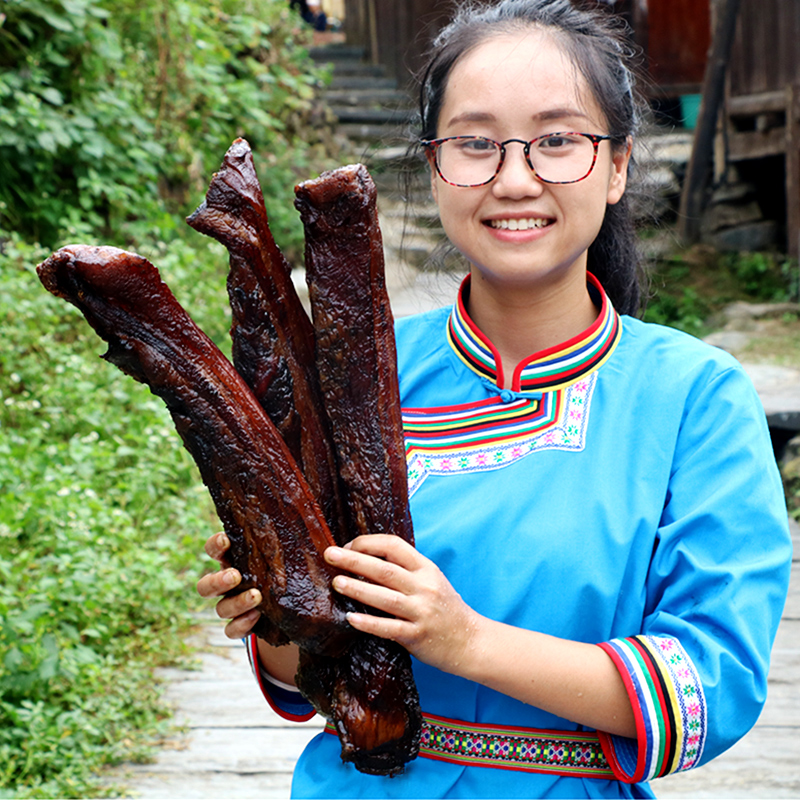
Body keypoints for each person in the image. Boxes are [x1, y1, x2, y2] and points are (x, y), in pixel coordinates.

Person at [197, 0, 792, 796]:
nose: (515, 179)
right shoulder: (357, 372)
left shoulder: (693, 397)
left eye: (557, 141)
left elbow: (710, 687)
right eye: (475, 144)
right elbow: (317, 673)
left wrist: (465, 641)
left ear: (617, 166)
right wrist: (273, 606)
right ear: (435, 166)